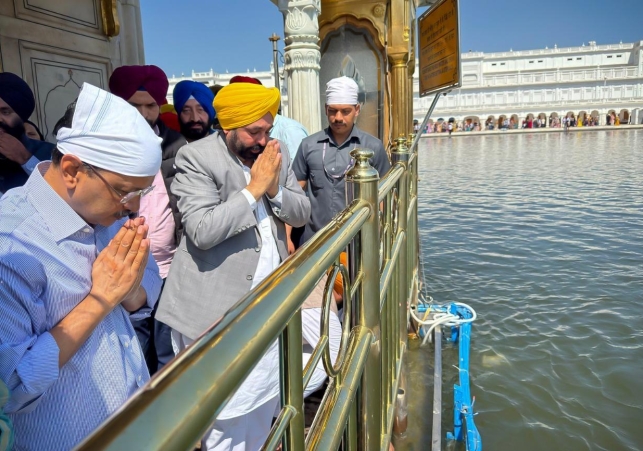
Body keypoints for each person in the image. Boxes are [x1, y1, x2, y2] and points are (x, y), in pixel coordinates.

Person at [0, 83, 163, 451]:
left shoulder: (110, 217)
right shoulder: (12, 246)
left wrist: (131, 291)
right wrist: (100, 300)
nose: (134, 207)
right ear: (72, 170)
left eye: (141, 193)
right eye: (125, 192)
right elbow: (10, 389)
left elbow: (150, 284)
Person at [156, 81, 310, 451]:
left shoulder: (277, 152)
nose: (262, 140)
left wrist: (274, 190)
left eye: (267, 130)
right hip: (213, 309)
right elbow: (202, 230)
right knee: (219, 412)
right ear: (227, 127)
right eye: (253, 132)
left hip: (266, 305)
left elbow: (302, 210)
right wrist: (254, 190)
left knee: (261, 403)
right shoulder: (195, 158)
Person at [109, 64, 187, 375]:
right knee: (135, 350)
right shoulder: (107, 150)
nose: (143, 113)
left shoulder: (177, 146)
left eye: (150, 105)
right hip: (127, 267)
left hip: (170, 267)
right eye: (134, 105)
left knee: (169, 348)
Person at [292, 76, 390, 246]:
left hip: (357, 241)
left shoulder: (372, 146)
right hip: (314, 242)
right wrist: (287, 236)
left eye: (345, 111)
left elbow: (384, 193)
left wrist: (380, 234)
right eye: (333, 111)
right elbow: (294, 191)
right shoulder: (308, 145)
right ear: (325, 109)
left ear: (357, 110)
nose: (338, 117)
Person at [0, 72, 55, 194]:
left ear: (21, 117)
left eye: (5, 112)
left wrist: (25, 159)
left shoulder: (52, 153)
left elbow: (65, 197)